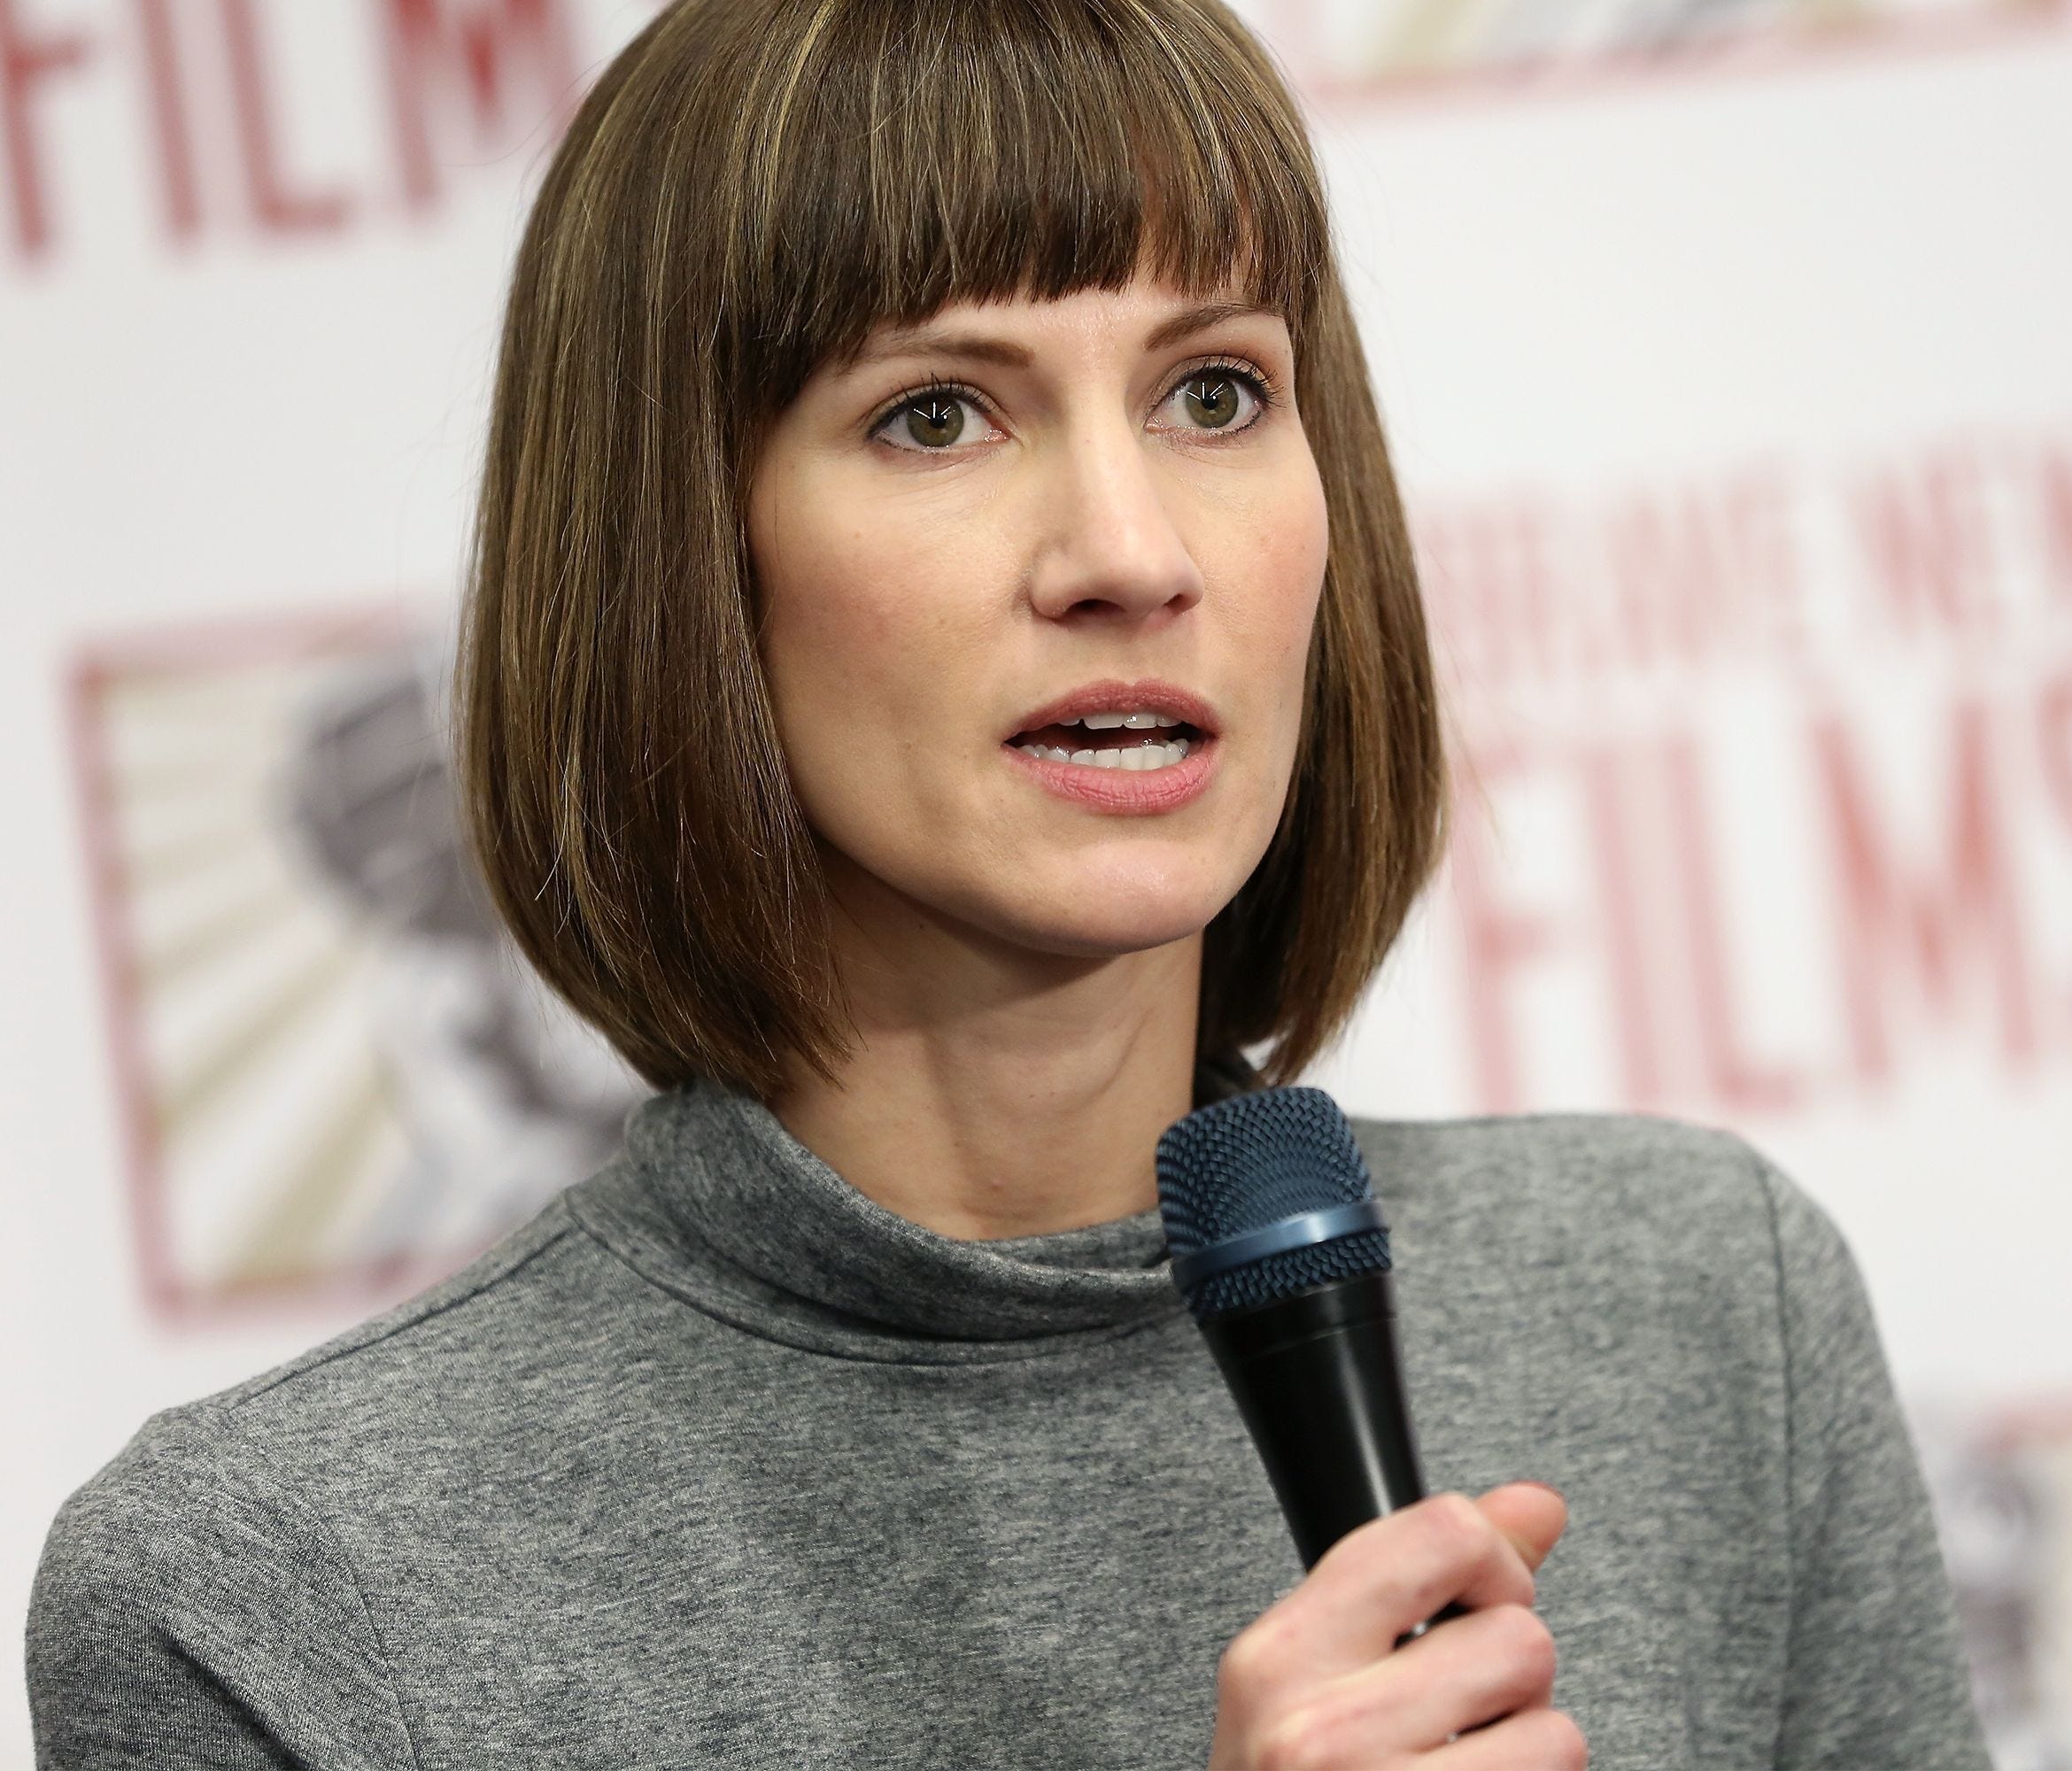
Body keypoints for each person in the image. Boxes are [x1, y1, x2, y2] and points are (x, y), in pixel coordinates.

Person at [27, 0, 1990, 1765]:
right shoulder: (275, 1595)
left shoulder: (1698, 1305)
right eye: (937, 414)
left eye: (1213, 393)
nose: (1131, 552)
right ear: (678, 556)